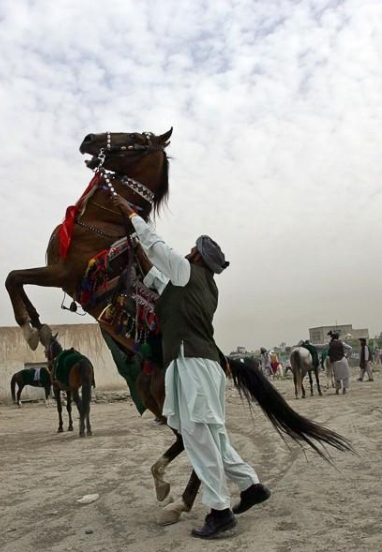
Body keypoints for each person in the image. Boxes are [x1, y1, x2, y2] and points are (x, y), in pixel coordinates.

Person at [112, 194, 269, 539]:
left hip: (193, 365)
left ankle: (220, 511)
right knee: (214, 435)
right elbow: (156, 280)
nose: (185, 252)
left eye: (190, 249)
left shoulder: (186, 271)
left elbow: (156, 246)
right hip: (204, 366)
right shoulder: (204, 286)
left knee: (198, 438)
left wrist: (133, 218)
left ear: (197, 255)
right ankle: (250, 485)